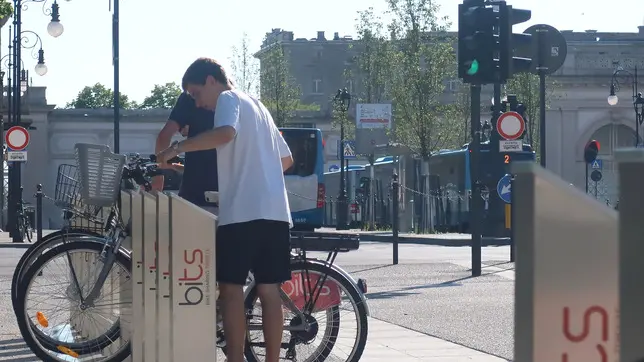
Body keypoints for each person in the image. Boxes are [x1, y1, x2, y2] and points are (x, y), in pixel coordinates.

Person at [156, 57, 293, 362]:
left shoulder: (228, 99)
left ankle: (235, 359)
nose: (197, 102)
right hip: (275, 212)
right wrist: (254, 172)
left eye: (195, 93)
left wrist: (178, 147)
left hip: (241, 213)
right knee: (269, 292)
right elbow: (286, 160)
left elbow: (226, 133)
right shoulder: (258, 105)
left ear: (210, 80)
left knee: (230, 291)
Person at [153, 92, 218, 214]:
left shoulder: (190, 98)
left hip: (196, 198)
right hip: (225, 199)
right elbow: (204, 167)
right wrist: (173, 166)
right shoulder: (233, 103)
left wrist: (158, 177)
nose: (182, 133)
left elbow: (164, 136)